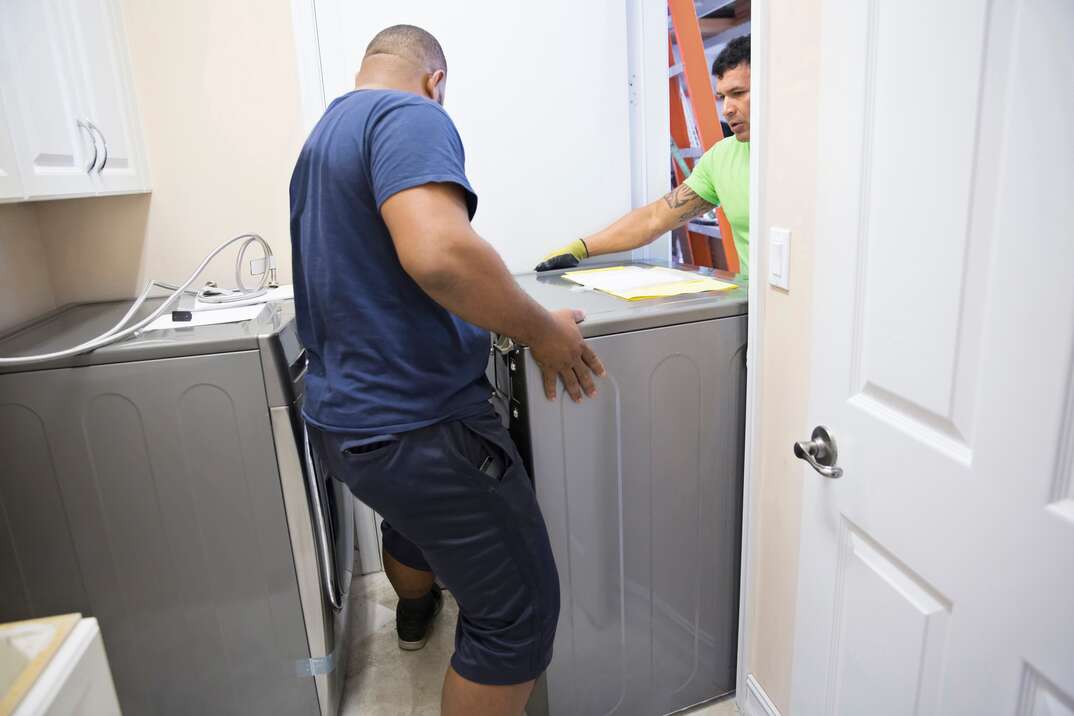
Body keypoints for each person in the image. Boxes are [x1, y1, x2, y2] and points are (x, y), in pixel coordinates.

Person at [289, 24, 605, 716]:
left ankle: (414, 612)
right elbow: (438, 253)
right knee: (516, 619)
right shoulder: (411, 114)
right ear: (437, 79)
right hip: (419, 425)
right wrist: (541, 330)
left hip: (346, 423)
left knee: (414, 523)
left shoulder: (322, 139)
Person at [536, 35, 752, 275]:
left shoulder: (797, 155)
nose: (727, 109)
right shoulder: (720, 158)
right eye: (722, 97)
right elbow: (654, 219)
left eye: (738, 92)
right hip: (762, 306)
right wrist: (580, 248)